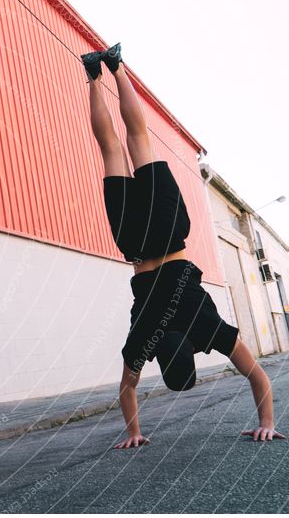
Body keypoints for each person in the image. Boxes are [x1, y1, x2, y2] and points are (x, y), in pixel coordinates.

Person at [81, 43, 285, 449]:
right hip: (135, 245)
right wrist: (134, 433)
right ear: (158, 357)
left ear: (194, 351)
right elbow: (127, 389)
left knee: (138, 141)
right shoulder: (143, 341)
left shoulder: (206, 327)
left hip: (169, 235)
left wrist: (266, 422)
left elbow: (257, 375)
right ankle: (93, 75)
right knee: (112, 151)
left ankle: (117, 67)